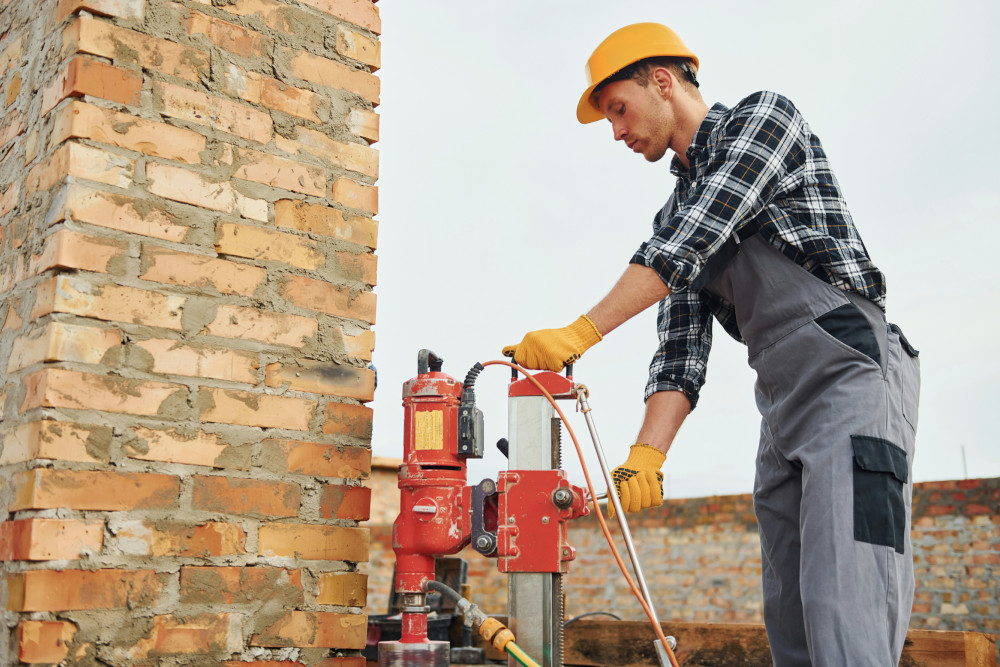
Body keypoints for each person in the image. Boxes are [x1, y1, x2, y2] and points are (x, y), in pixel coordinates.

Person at [502, 22, 921, 667]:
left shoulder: (765, 121)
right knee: (790, 610)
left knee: (849, 596)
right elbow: (680, 349)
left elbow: (693, 240)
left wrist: (581, 332)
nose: (616, 132)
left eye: (618, 108)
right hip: (782, 401)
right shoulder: (674, 212)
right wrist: (647, 454)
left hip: (851, 375)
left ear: (663, 82)